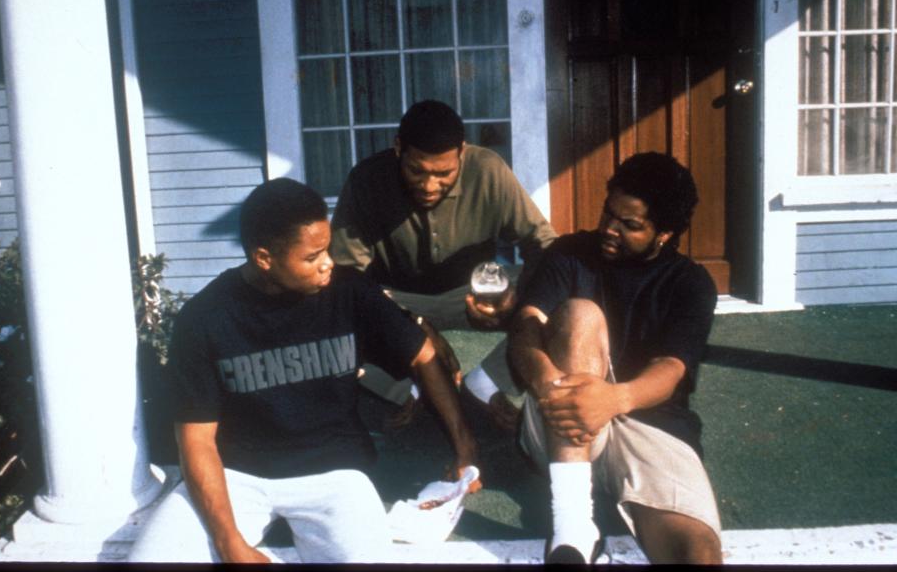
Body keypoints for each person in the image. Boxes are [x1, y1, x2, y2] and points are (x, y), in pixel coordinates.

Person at [129, 178, 478, 564]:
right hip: (236, 476)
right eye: (312, 257)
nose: (328, 263)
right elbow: (196, 441)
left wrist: (464, 446)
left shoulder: (349, 291)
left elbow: (422, 354)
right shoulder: (205, 317)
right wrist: (229, 542)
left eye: (326, 250)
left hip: (335, 473)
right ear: (264, 258)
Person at [508, 152, 722, 564]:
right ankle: (573, 530)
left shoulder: (691, 282)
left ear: (665, 233)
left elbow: (672, 369)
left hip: (648, 422)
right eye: (609, 213)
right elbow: (525, 327)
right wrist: (550, 384)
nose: (609, 228)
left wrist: (613, 399)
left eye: (630, 225)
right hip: (559, 420)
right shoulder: (569, 253)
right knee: (579, 315)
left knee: (698, 553)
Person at [330, 99, 556, 428]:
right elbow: (347, 276)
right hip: (395, 299)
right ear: (398, 149)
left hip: (475, 294)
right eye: (416, 170)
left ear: (462, 153)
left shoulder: (489, 169)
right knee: (330, 312)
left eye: (444, 173)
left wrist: (515, 301)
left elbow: (545, 246)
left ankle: (487, 382)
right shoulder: (366, 180)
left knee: (559, 292)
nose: (429, 185)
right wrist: (412, 325)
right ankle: (409, 387)